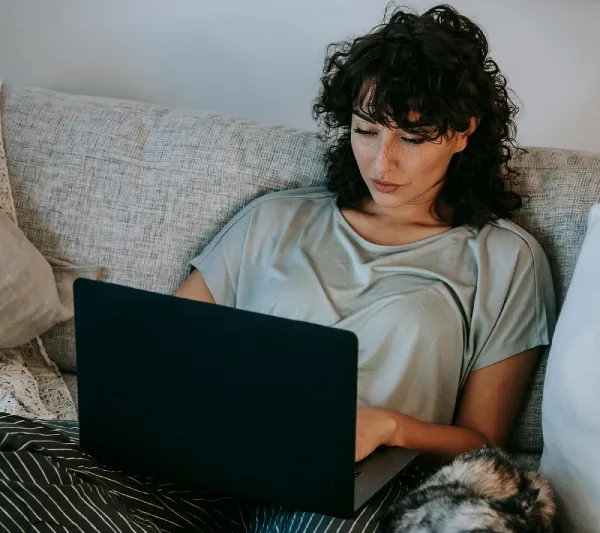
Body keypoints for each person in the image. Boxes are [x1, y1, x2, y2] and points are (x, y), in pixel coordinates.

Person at [0, 4, 556, 532]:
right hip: (204, 462)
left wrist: (389, 425)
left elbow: (484, 442)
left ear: (463, 132)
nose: (382, 161)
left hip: (346, 486)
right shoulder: (276, 217)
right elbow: (160, 351)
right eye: (366, 130)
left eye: (412, 138)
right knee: (13, 451)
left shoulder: (504, 258)